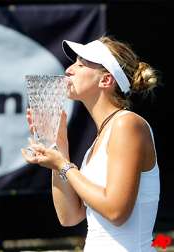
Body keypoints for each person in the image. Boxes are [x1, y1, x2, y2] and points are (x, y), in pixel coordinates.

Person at [21, 36, 160, 251]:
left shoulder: (127, 125)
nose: (68, 69)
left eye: (81, 64)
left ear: (105, 80)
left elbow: (116, 212)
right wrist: (58, 147)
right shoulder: (100, 139)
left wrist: (63, 165)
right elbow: (69, 216)